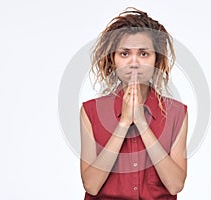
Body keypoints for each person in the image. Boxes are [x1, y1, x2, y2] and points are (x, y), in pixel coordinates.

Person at [80, 7, 188, 200]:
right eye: (124, 54)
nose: (134, 62)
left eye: (144, 54)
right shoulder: (91, 111)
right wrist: (123, 124)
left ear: (156, 59)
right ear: (113, 59)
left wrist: (141, 122)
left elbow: (175, 185)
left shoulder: (177, 113)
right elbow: (91, 185)